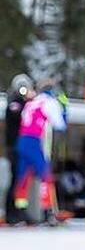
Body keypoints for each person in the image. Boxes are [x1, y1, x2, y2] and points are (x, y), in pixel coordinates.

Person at [13, 79, 66, 223]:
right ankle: (48, 212)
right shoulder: (49, 102)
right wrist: (64, 107)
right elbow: (60, 125)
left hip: (22, 141)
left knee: (23, 177)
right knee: (46, 175)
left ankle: (20, 212)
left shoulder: (32, 102)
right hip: (33, 142)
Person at [4, 73, 34, 218]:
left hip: (24, 147)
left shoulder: (26, 103)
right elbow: (17, 114)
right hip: (15, 147)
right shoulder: (14, 102)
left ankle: (20, 210)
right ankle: (11, 212)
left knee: (22, 180)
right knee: (15, 178)